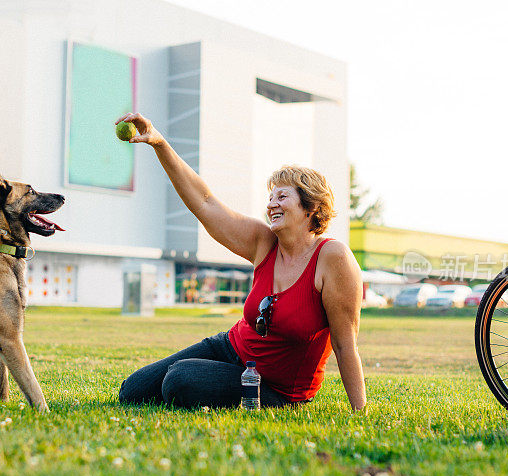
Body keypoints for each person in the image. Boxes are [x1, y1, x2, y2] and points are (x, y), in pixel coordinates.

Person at [116, 113, 367, 412]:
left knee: (180, 380)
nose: (271, 203)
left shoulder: (333, 258)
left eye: (282, 196)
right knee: (133, 390)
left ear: (310, 207)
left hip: (278, 388)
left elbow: (344, 343)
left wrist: (359, 412)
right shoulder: (264, 243)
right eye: (270, 196)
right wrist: (159, 143)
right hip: (230, 347)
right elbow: (205, 202)